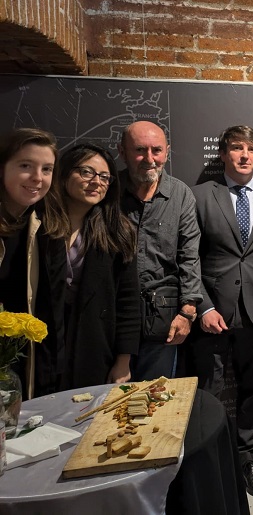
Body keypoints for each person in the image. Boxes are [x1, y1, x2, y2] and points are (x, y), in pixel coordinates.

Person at [188, 125, 253, 498]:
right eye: (236, 148)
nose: (245, 155)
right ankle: (210, 457)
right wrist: (204, 306)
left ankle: (247, 456)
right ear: (223, 154)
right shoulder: (199, 197)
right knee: (209, 390)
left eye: (252, 149)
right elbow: (189, 260)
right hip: (213, 313)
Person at [49, 143, 140, 389]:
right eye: (86, 172)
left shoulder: (118, 231)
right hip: (43, 344)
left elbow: (128, 301)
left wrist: (123, 360)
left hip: (93, 344)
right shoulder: (39, 226)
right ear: (66, 173)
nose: (96, 182)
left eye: (104, 177)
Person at [118, 120, 202, 381]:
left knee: (154, 400)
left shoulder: (181, 195)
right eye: (140, 150)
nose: (149, 159)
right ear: (122, 152)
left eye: (157, 150)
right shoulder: (108, 191)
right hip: (115, 319)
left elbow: (189, 255)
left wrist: (187, 312)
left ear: (167, 151)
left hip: (163, 320)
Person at [0, 128, 65, 399]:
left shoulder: (41, 224)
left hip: (16, 366)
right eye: (26, 165)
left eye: (47, 168)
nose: (38, 177)